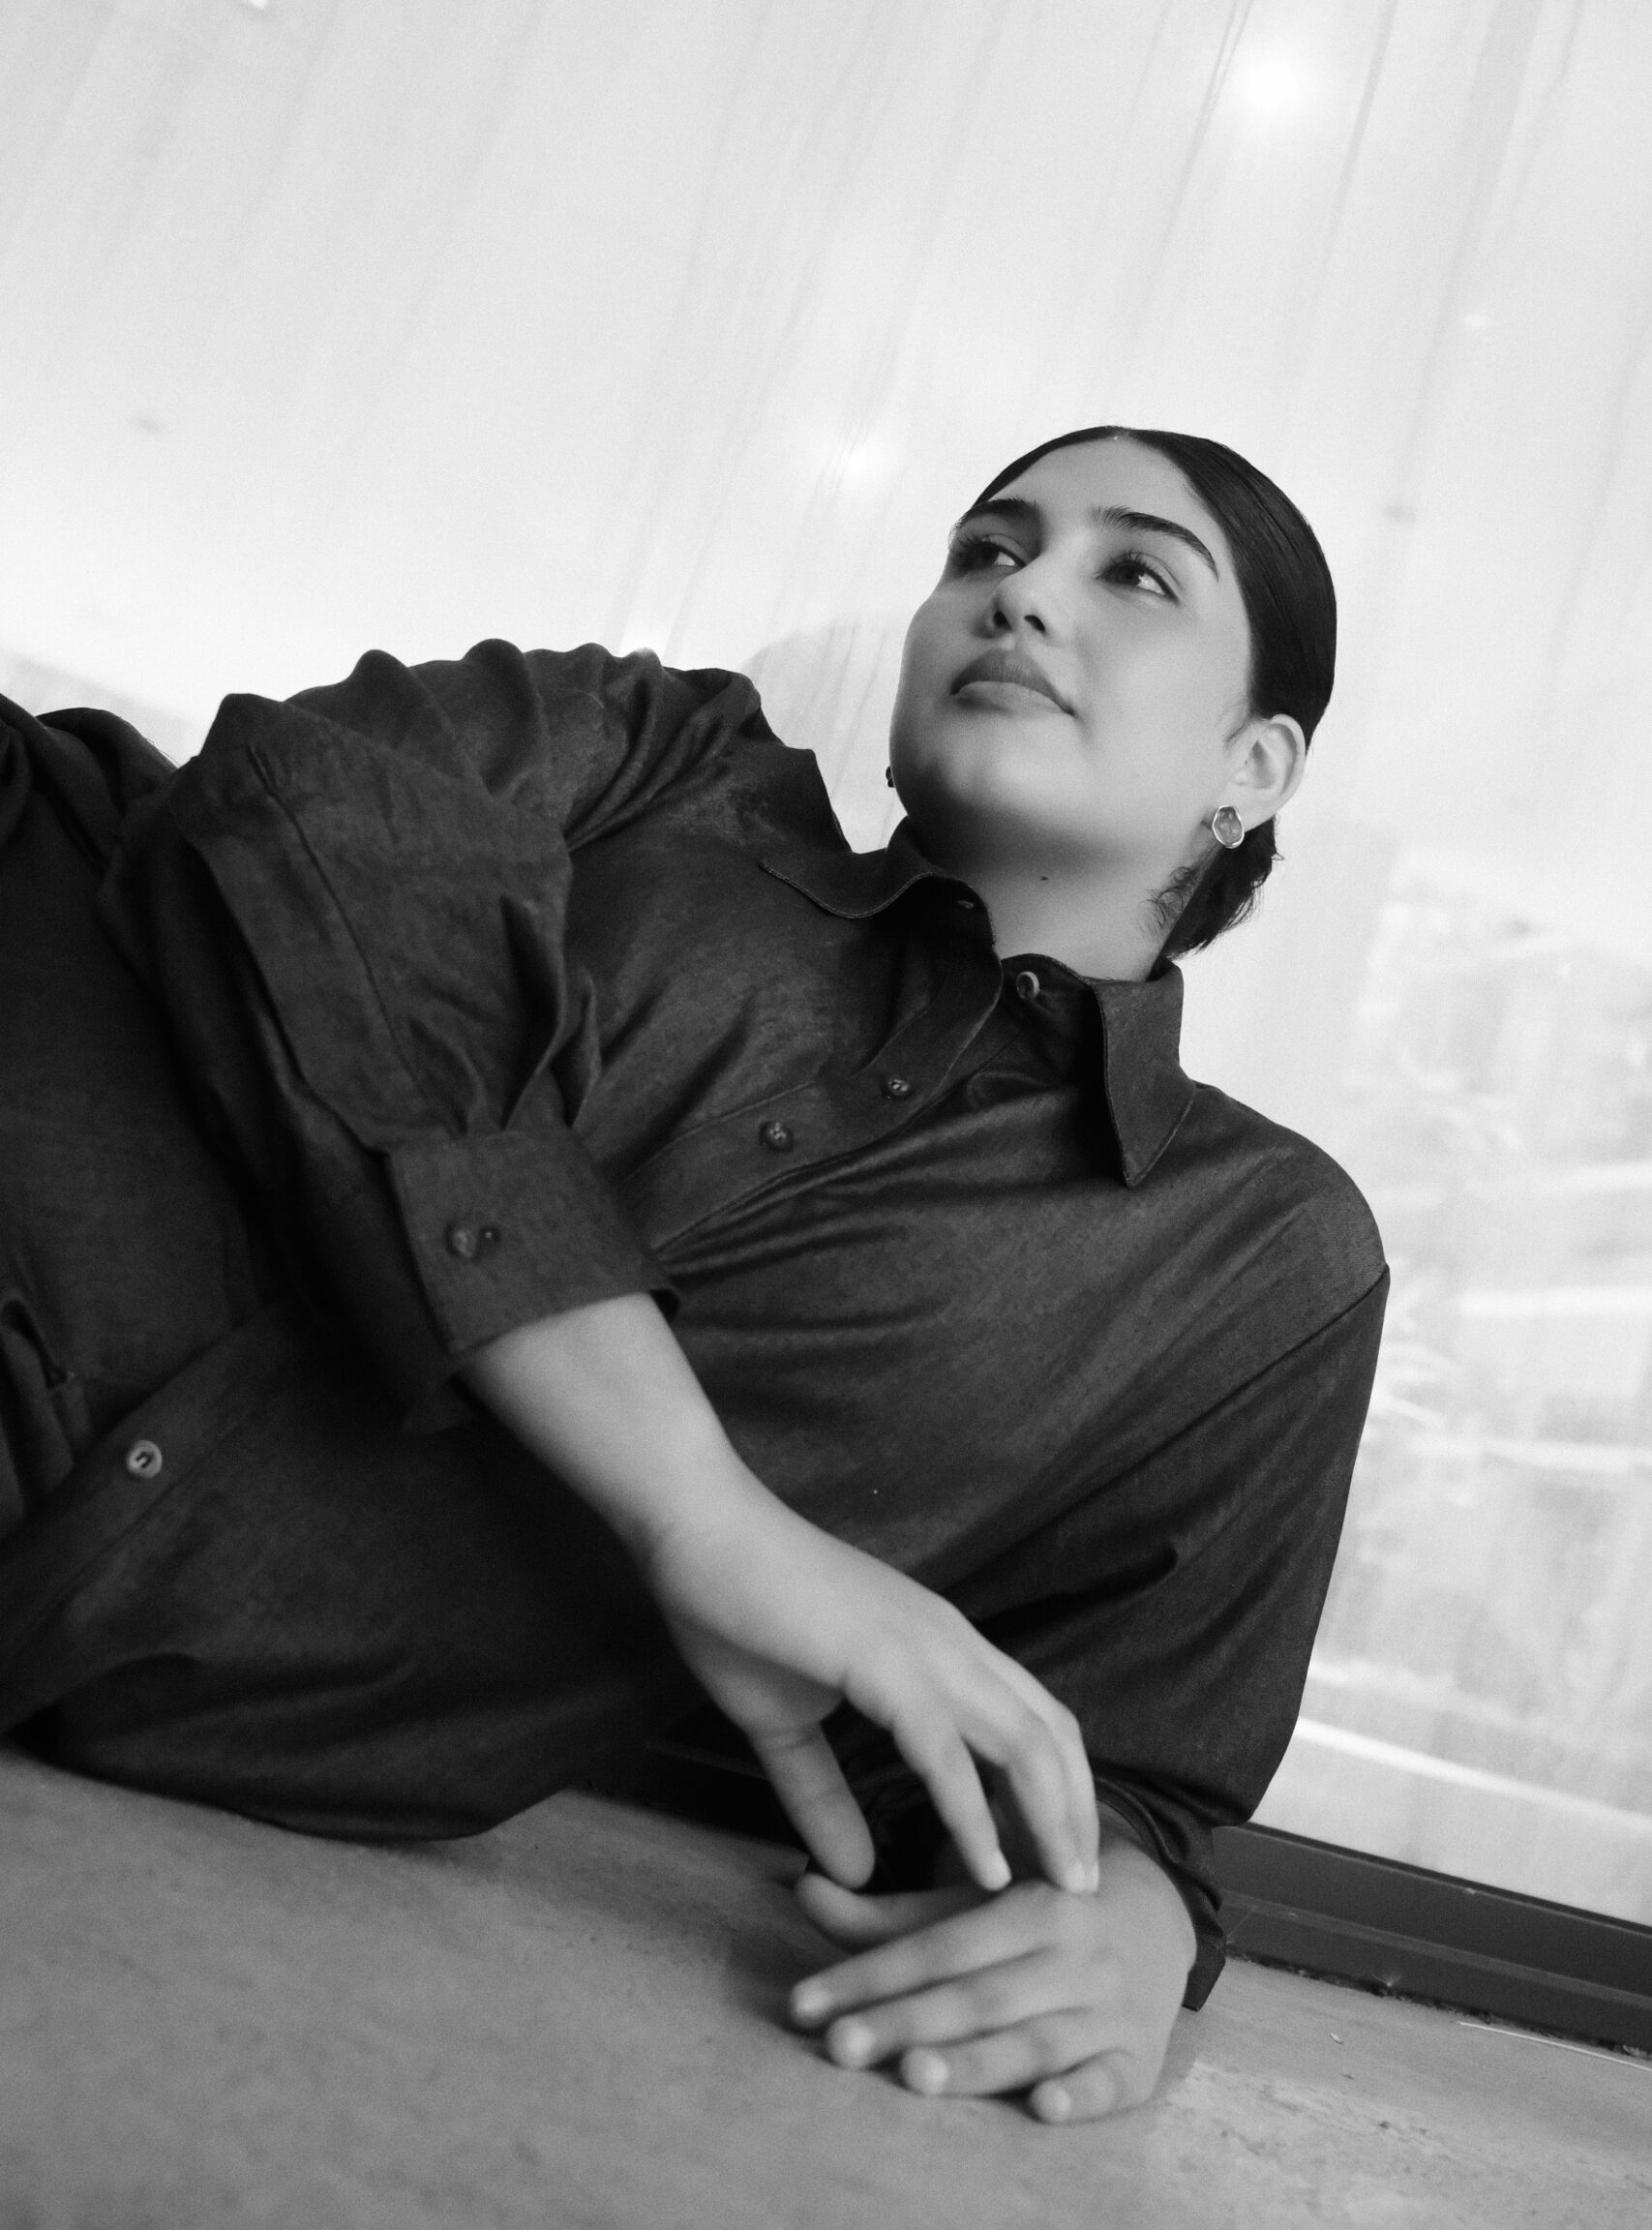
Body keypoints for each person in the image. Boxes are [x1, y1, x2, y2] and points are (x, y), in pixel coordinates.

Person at [0, 426, 1387, 2125]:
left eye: (1137, 575)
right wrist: (698, 1508)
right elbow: (300, 811)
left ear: (1254, 765)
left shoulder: (1251, 1256)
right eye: (988, 550)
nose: (1021, 594)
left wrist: (1130, 1923)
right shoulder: (664, 755)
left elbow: (1134, 1756)